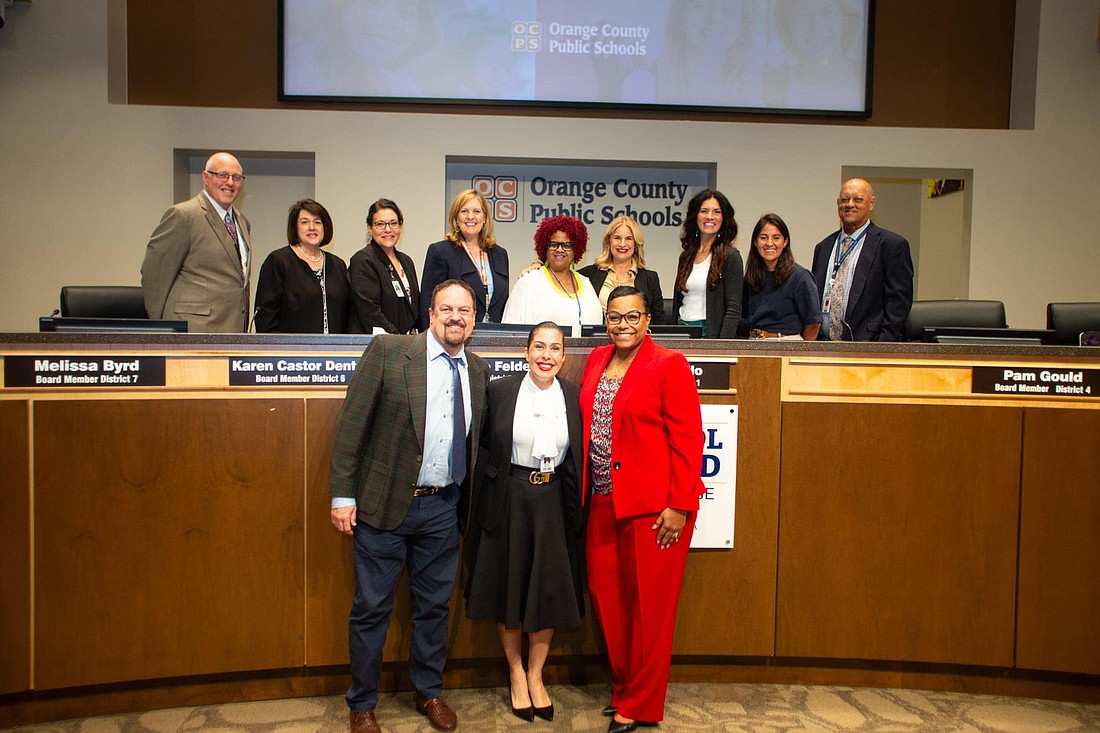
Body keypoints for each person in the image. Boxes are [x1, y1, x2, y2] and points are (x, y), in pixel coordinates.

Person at [329, 279, 490, 733]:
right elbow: (351, 426)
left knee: (434, 608)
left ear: (474, 319)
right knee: (371, 610)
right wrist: (343, 494)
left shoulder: (477, 370)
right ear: (430, 314)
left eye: (464, 310)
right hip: (383, 506)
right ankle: (362, 703)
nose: (456, 316)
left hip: (443, 508)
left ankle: (428, 692)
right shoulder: (390, 353)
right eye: (446, 309)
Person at [580, 285, 704, 732]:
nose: (623, 326)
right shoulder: (596, 360)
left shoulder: (669, 364)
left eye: (633, 317)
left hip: (655, 509)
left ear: (649, 319)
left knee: (650, 611)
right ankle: (625, 687)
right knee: (609, 603)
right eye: (615, 317)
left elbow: (690, 440)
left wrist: (679, 505)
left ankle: (642, 702)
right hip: (601, 501)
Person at [464, 321, 583, 724]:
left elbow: (576, 459)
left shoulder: (574, 396)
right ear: (526, 351)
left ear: (563, 357)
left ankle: (536, 675)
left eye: (554, 349)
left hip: (552, 501)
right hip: (510, 497)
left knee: (547, 590)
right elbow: (481, 449)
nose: (546, 356)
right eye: (539, 347)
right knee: (510, 587)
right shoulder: (500, 392)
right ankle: (515, 672)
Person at [141, 152, 251, 333]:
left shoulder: (242, 222)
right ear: (205, 177)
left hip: (232, 331)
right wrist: (159, 329)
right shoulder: (183, 215)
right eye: (222, 175)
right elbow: (155, 274)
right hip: (192, 331)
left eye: (236, 177)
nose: (230, 183)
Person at [810, 178, 914, 341]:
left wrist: (882, 347)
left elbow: (898, 305)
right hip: (823, 346)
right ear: (838, 203)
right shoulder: (823, 247)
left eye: (858, 199)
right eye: (844, 199)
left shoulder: (891, 246)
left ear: (871, 203)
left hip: (868, 346)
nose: (850, 204)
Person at [254, 199, 354, 333]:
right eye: (304, 222)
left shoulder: (337, 265)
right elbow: (265, 315)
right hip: (291, 350)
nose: (312, 227)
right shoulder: (278, 261)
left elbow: (348, 313)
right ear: (295, 227)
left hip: (333, 350)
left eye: (317, 222)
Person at [420, 189, 509, 329]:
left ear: (485, 218)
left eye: (477, 211)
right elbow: (427, 303)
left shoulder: (500, 254)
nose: (470, 217)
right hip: (452, 337)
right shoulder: (441, 251)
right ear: (456, 219)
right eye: (464, 211)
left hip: (494, 338)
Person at [502, 215, 603, 336]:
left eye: (567, 245)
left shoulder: (586, 284)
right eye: (554, 244)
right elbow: (509, 333)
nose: (560, 250)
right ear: (545, 248)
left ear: (576, 250)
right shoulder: (528, 282)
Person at [672, 189, 744, 338]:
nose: (710, 217)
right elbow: (678, 302)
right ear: (695, 216)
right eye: (704, 211)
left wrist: (722, 347)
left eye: (716, 212)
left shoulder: (731, 257)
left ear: (724, 218)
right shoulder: (685, 256)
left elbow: (733, 308)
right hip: (681, 331)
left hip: (708, 334)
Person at [743, 213, 822, 340]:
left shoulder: (800, 277)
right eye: (763, 238)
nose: (769, 243)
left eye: (776, 238)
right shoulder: (751, 277)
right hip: (754, 343)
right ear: (755, 242)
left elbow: (813, 322)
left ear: (785, 242)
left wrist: (801, 353)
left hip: (786, 345)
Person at [349, 198, 420, 334]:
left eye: (393, 223)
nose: (388, 229)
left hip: (403, 343)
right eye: (380, 224)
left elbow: (413, 306)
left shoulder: (406, 261)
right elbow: (369, 311)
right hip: (377, 343)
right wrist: (396, 337)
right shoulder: (363, 260)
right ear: (370, 228)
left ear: (400, 226)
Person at [578, 215, 665, 324]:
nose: (622, 244)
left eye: (629, 238)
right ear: (609, 242)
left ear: (636, 244)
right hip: (597, 339)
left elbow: (658, 321)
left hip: (637, 340)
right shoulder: (588, 275)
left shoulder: (650, 279)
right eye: (617, 238)